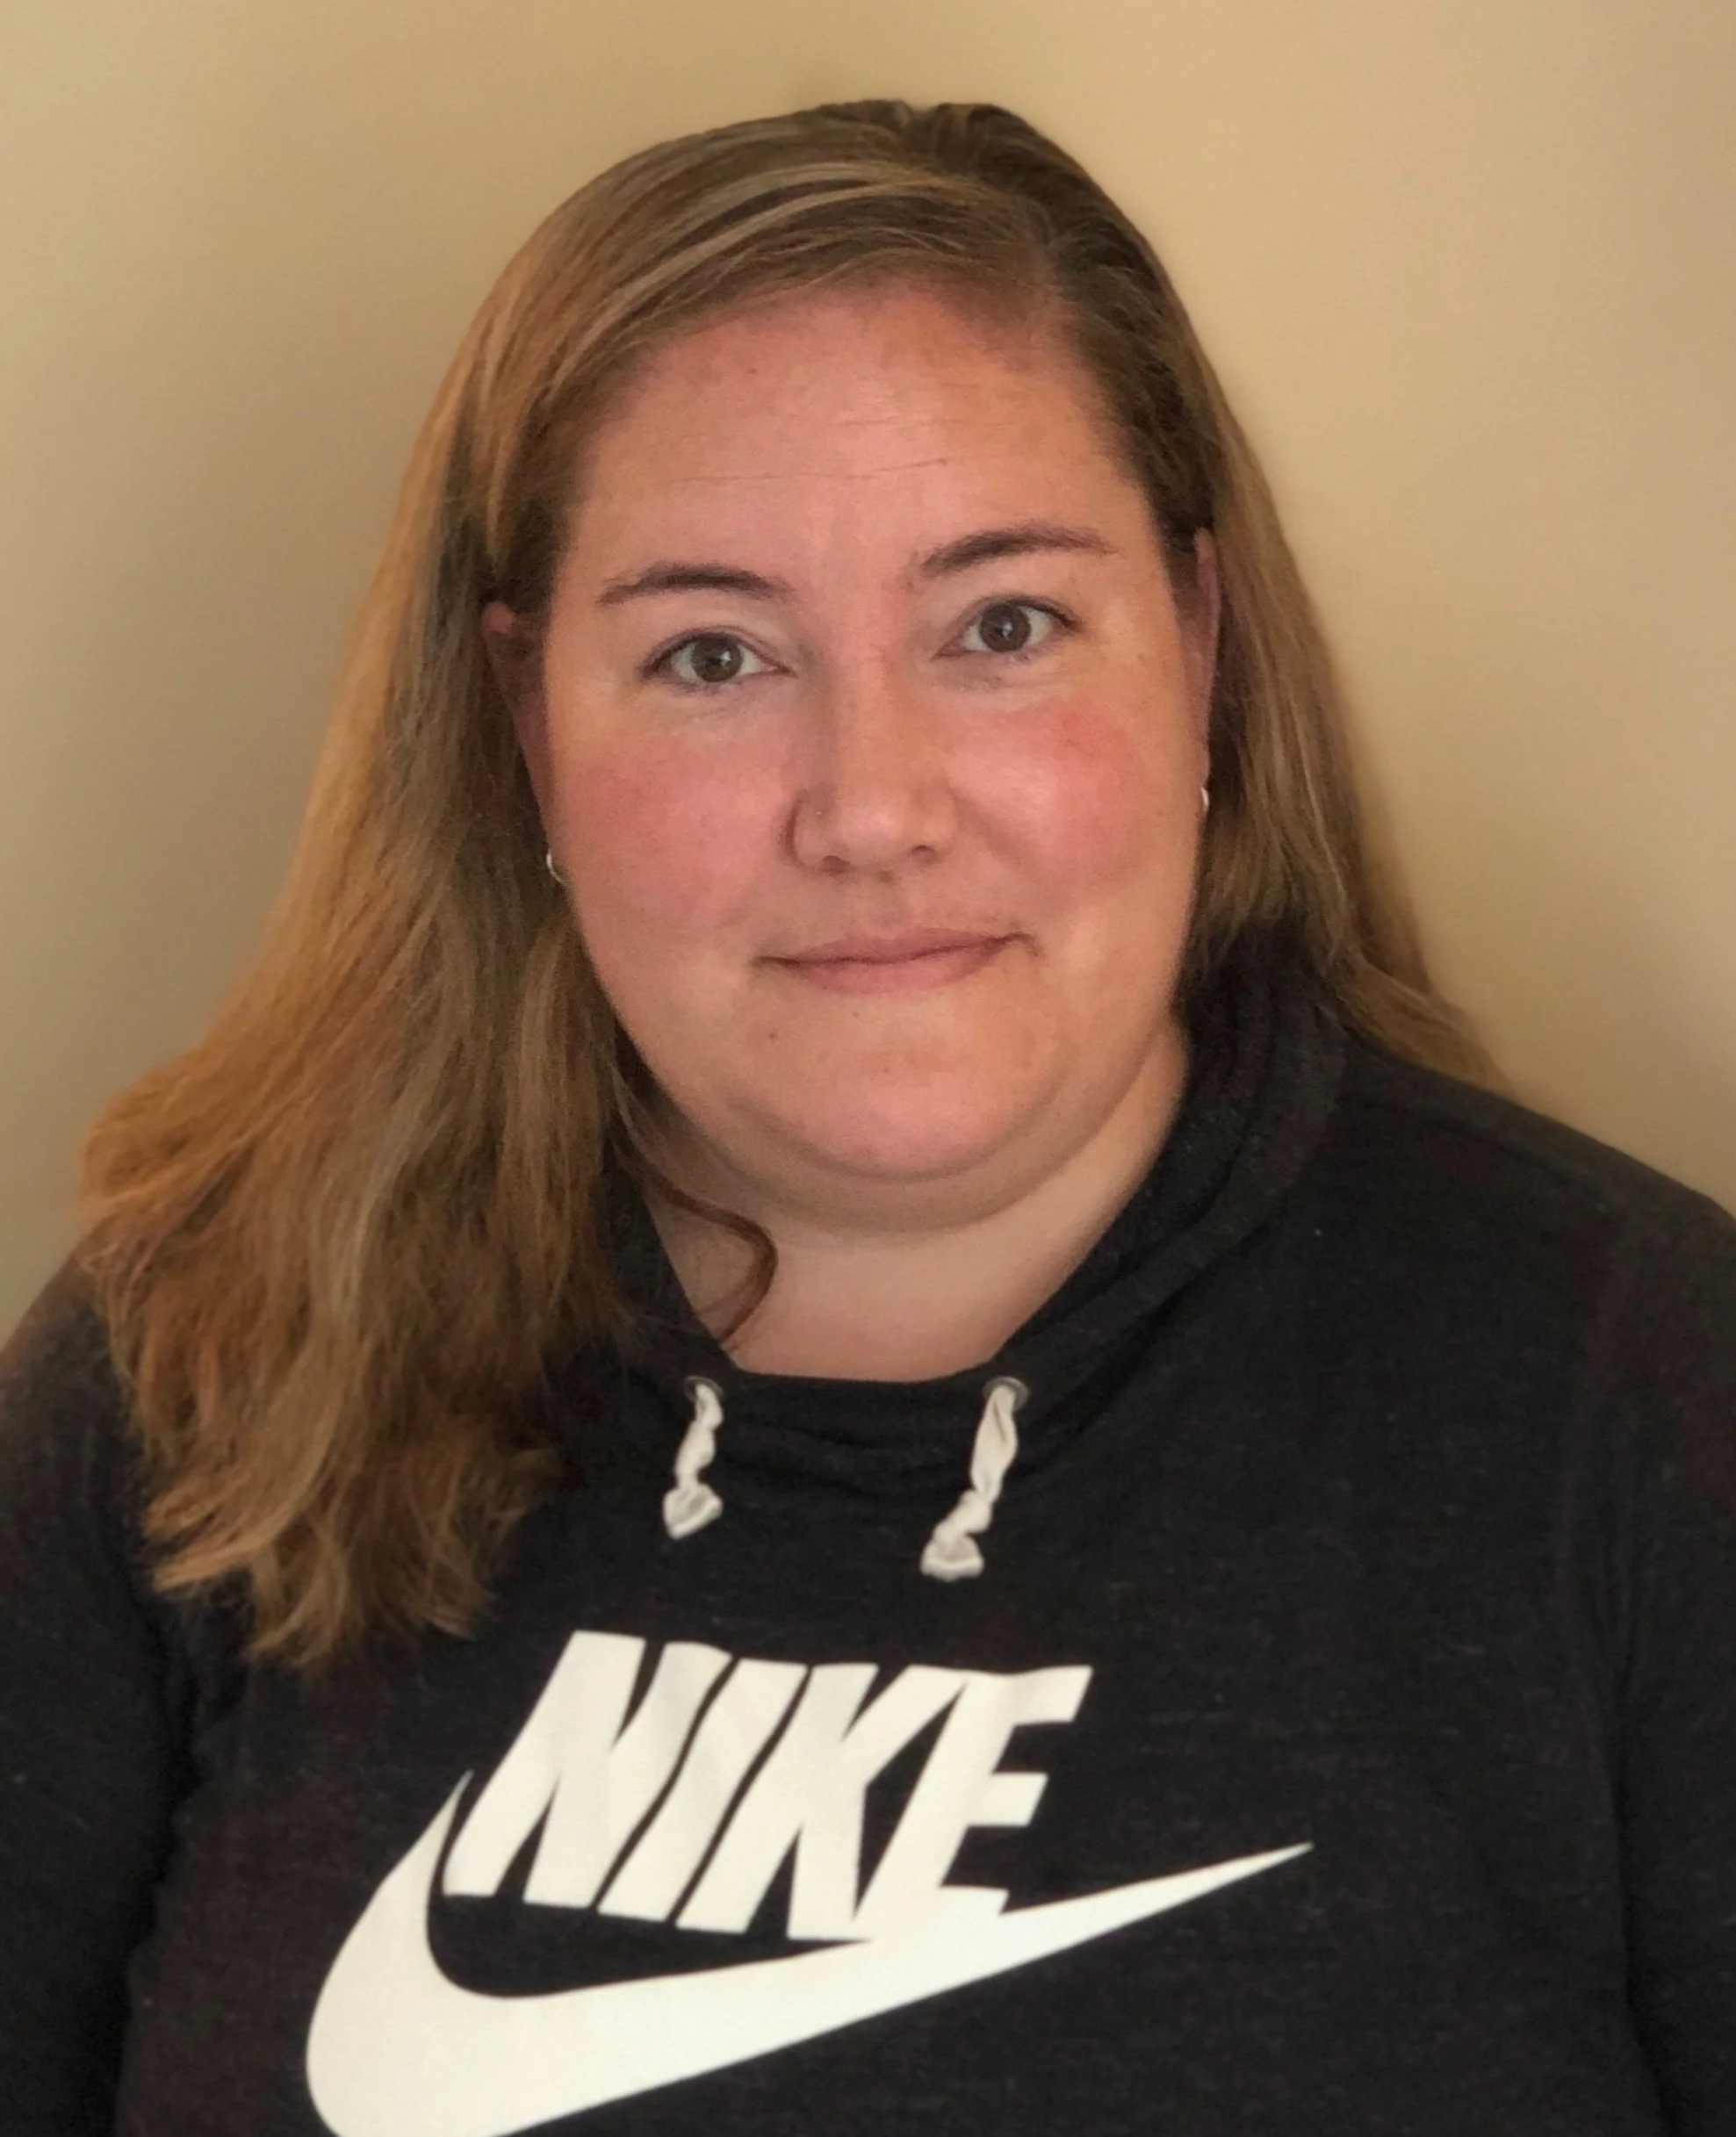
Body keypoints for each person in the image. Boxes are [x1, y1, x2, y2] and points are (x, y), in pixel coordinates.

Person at [1, 97, 1732, 2137]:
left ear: (1198, 647)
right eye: (712, 653)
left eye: (1001, 626)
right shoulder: (197, 1366)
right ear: (522, 730)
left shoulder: (1645, 1398)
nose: (872, 806)